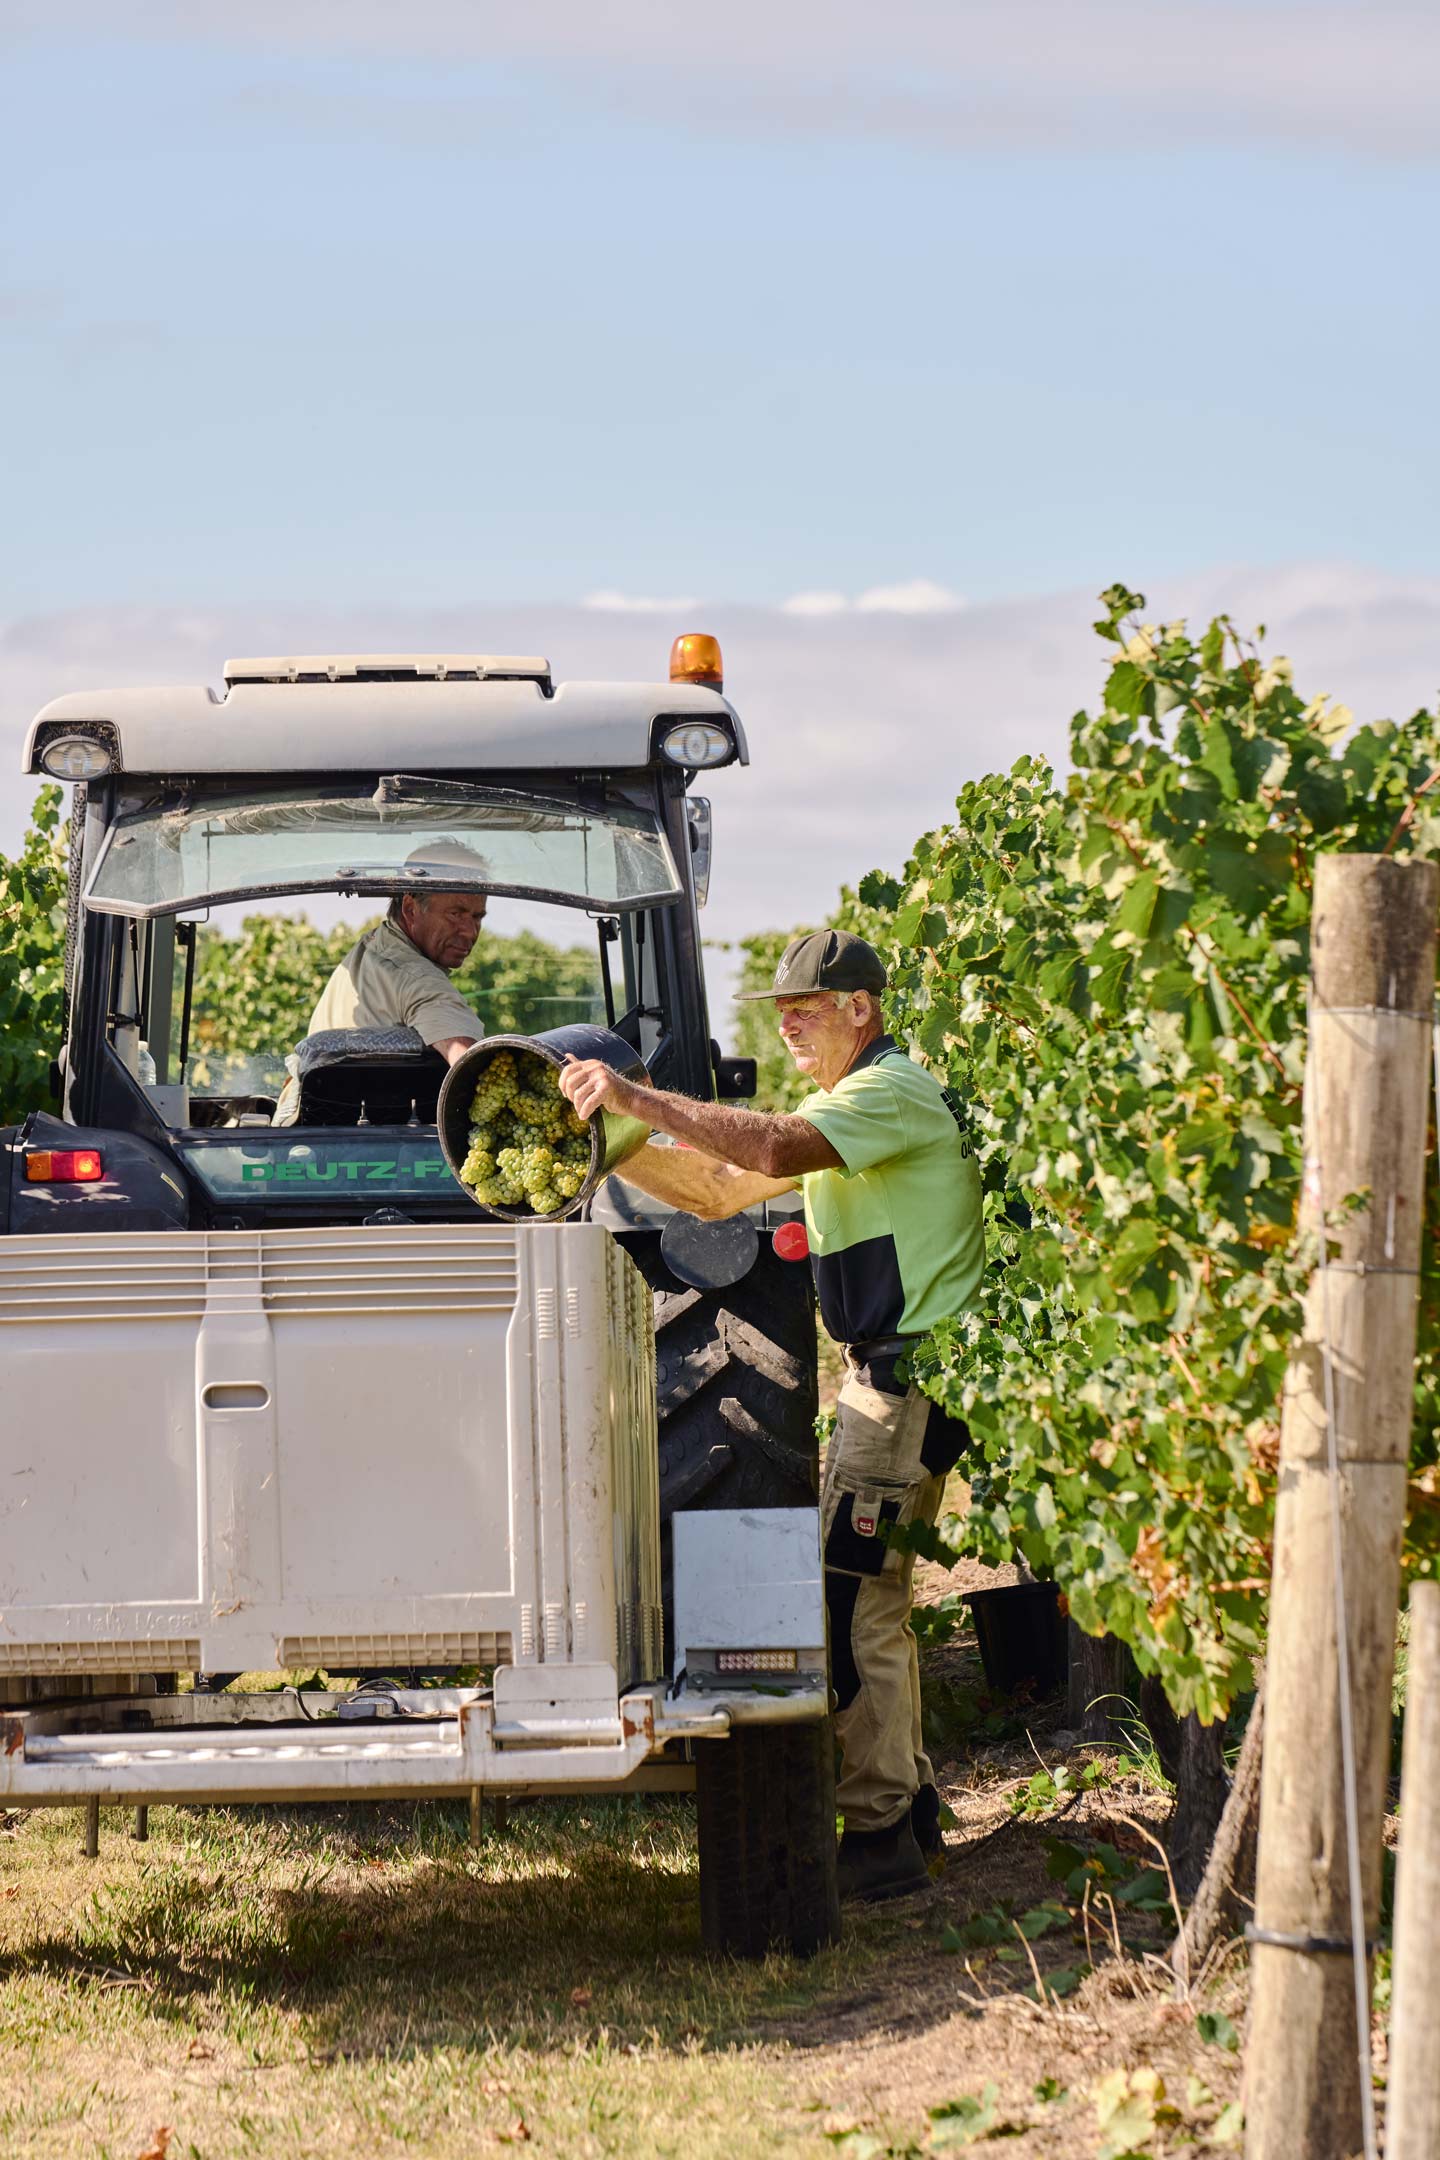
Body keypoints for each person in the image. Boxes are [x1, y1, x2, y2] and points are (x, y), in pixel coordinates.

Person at [558, 928, 985, 1903]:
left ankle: (880, 1834)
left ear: (862, 1011)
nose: (789, 1024)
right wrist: (608, 1139)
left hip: (904, 1387)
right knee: (868, 1598)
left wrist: (633, 1093)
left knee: (850, 1602)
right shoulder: (850, 1110)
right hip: (886, 1388)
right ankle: (906, 1808)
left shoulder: (890, 1094)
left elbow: (771, 1144)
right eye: (781, 1010)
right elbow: (715, 1188)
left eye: (808, 1008)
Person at [307, 840, 490, 1064]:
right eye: (455, 914)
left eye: (477, 917)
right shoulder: (418, 979)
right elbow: (470, 1065)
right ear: (410, 909)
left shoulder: (371, 949)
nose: (470, 932)